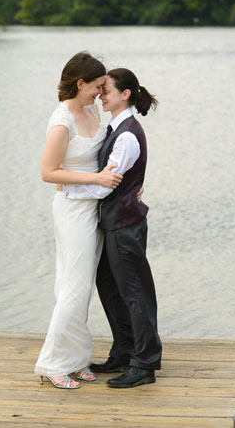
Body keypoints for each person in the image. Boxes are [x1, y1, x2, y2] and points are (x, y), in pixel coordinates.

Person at [65, 68, 162, 388]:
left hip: (125, 225)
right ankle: (124, 350)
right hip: (113, 223)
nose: (101, 95)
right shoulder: (115, 128)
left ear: (125, 94)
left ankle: (144, 363)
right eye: (100, 89)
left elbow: (106, 185)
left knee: (135, 293)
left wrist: (67, 190)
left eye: (106, 90)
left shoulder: (128, 134)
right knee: (110, 288)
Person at [34, 52, 123, 389]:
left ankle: (76, 358)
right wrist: (94, 180)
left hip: (93, 206)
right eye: (97, 86)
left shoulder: (91, 110)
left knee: (79, 287)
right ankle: (53, 363)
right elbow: (47, 172)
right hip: (73, 211)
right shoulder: (62, 121)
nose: (101, 93)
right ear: (80, 82)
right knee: (73, 287)